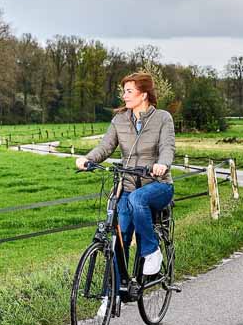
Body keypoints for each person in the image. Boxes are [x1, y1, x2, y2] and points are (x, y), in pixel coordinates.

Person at [75, 72, 176, 277]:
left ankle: (151, 251)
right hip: (128, 185)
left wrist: (162, 164)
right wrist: (88, 159)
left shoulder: (163, 118)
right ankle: (114, 295)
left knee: (139, 199)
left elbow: (168, 147)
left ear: (144, 94)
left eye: (129, 91)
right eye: (124, 91)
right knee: (119, 234)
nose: (124, 95)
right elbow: (106, 146)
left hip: (158, 184)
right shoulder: (119, 120)